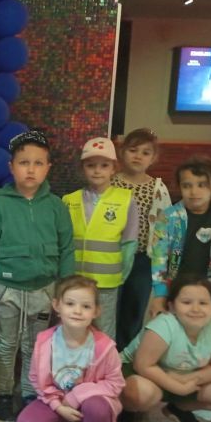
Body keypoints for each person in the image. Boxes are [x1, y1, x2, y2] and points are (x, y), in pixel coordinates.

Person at [0, 130, 75, 422]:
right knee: (6, 344)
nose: (30, 169)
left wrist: (65, 292)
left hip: (44, 289)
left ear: (48, 168)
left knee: (35, 345)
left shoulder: (56, 206)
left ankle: (31, 393)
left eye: (38, 163)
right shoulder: (0, 204)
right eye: (23, 163)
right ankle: (4, 395)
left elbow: (67, 249)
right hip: (6, 288)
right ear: (11, 167)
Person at [145, 155, 211, 422]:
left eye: (202, 185)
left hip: (207, 300)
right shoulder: (170, 217)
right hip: (175, 297)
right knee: (170, 345)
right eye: (187, 185)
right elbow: (159, 256)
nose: (194, 191)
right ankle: (169, 399)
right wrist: (160, 295)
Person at [16, 276, 124, 422]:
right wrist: (57, 406)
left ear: (96, 311)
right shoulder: (45, 341)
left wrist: (76, 396)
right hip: (58, 399)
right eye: (70, 304)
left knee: (97, 408)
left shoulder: (105, 347)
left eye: (86, 306)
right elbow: (37, 379)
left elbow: (115, 383)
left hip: (89, 402)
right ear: (57, 305)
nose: (77, 311)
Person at [120, 276, 211, 422]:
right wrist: (178, 387)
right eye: (186, 302)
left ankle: (178, 409)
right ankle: (127, 409)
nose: (196, 309)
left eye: (203, 303)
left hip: (183, 376)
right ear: (171, 306)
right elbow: (143, 365)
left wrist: (188, 379)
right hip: (143, 374)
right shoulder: (163, 325)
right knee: (141, 393)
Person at [63, 137, 138, 340]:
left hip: (107, 282)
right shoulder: (69, 200)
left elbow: (129, 243)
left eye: (104, 165)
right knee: (74, 326)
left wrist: (121, 275)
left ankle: (104, 362)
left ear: (114, 168)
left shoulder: (126, 200)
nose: (97, 170)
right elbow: (64, 243)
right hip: (76, 279)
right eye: (91, 165)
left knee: (104, 331)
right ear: (83, 168)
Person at [111, 128, 172, 351]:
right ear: (122, 152)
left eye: (145, 153)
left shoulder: (157, 188)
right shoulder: (111, 182)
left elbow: (165, 226)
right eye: (133, 150)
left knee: (135, 305)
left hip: (142, 259)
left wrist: (162, 262)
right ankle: (106, 352)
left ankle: (126, 352)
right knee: (110, 304)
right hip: (113, 256)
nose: (138, 156)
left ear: (153, 158)